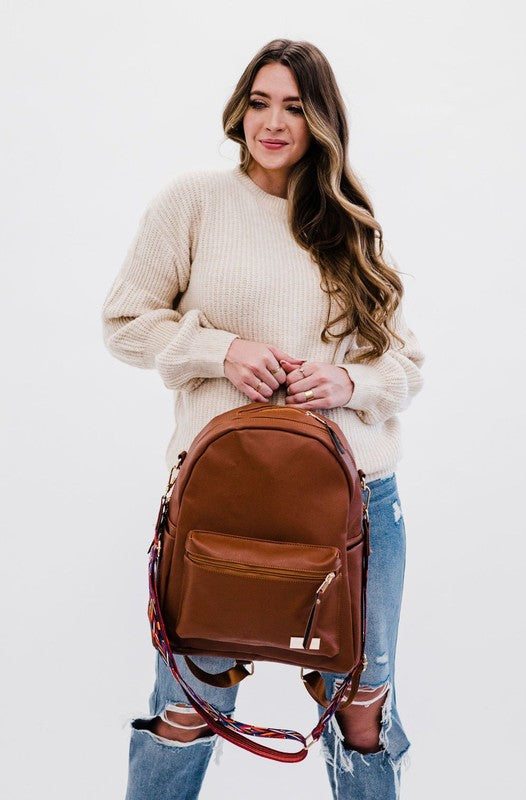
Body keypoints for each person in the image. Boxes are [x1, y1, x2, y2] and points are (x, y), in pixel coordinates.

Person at [101, 38, 425, 800]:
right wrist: (221, 350)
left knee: (363, 713)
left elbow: (405, 364)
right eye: (259, 102)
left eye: (294, 107)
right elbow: (123, 322)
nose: (272, 123)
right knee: (188, 704)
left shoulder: (349, 220)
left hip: (355, 501)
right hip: (224, 498)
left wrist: (346, 379)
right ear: (239, 111)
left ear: (321, 121)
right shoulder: (193, 202)